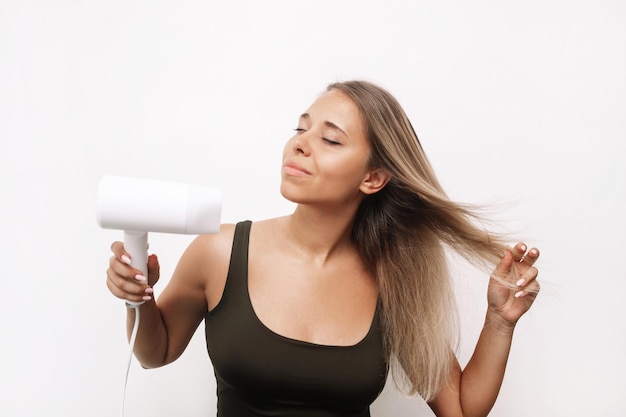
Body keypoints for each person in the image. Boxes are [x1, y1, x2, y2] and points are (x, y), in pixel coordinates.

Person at [106, 80, 540, 417]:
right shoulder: (219, 252)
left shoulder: (393, 281)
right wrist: (136, 299)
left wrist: (499, 321)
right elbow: (154, 353)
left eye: (330, 140)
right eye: (301, 127)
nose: (299, 143)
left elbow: (459, 410)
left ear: (373, 178)